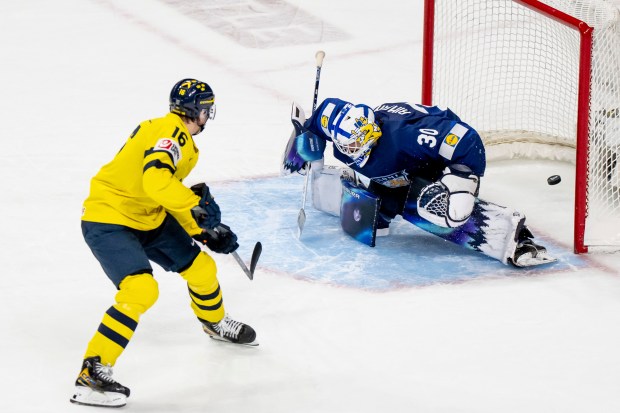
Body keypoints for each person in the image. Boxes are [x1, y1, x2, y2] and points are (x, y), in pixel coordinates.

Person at [71, 79, 257, 408]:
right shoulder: (172, 135)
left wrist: (201, 230)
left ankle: (213, 322)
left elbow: (164, 190)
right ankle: (91, 373)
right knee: (140, 289)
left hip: (148, 216)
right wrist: (195, 207)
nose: (207, 115)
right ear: (198, 111)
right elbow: (155, 181)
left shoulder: (171, 134)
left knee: (202, 268)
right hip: (109, 219)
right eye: (206, 109)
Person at [282, 98, 556, 267]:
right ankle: (390, 199)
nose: (349, 150)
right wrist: (304, 142)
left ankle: (517, 240)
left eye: (354, 143)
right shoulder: (339, 120)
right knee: (377, 215)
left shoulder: (406, 136)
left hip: (433, 156)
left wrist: (462, 180)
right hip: (398, 164)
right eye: (345, 144)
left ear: (370, 133)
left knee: (438, 206)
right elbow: (320, 115)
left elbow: (464, 139)